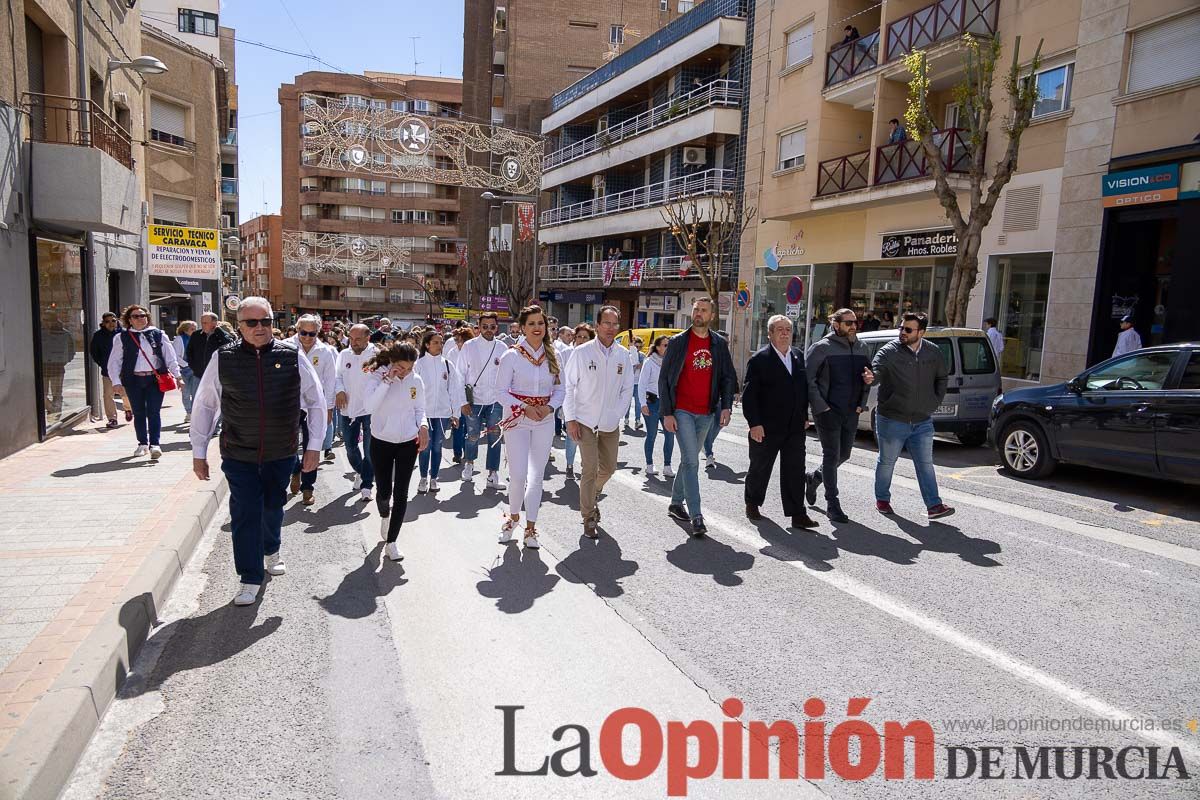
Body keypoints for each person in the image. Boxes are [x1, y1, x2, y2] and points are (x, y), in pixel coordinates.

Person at [190, 297, 327, 606]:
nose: (260, 328)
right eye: (252, 322)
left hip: (281, 450)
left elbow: (316, 402)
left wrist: (314, 447)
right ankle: (250, 577)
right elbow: (206, 405)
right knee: (245, 512)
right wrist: (199, 450)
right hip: (239, 452)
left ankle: (272, 549)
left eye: (265, 321)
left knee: (272, 506)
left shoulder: (292, 356)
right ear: (239, 326)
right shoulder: (223, 359)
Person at [658, 297, 737, 536]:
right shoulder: (678, 342)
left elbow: (727, 377)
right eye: (695, 310)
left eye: (703, 310)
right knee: (692, 462)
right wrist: (667, 413)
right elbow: (664, 380)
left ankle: (675, 502)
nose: (698, 314)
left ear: (711, 315)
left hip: (706, 413)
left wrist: (726, 406)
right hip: (682, 410)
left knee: (688, 459)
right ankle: (696, 515)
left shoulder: (719, 344)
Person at [871, 313, 954, 520]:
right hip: (892, 418)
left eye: (908, 330)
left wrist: (934, 402)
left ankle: (934, 506)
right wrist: (871, 377)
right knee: (887, 462)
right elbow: (877, 370)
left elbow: (942, 378)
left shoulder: (933, 352)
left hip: (922, 421)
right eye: (901, 328)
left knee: (925, 464)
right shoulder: (889, 351)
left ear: (921, 332)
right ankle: (882, 499)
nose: (902, 332)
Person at [495, 305, 564, 547]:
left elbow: (560, 390)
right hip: (518, 421)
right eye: (532, 324)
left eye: (541, 324)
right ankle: (513, 518)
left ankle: (531, 528)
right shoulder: (511, 356)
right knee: (518, 475)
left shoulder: (555, 355)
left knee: (536, 476)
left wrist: (549, 408)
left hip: (544, 421)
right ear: (522, 328)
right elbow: (500, 391)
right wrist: (525, 408)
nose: (537, 328)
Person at [563, 306, 634, 539]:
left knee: (610, 468)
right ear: (597, 326)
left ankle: (593, 494)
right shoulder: (582, 353)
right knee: (590, 469)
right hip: (584, 420)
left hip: (610, 423)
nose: (611, 329)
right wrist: (570, 419)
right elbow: (569, 386)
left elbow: (627, 389)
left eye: (615, 324)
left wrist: (617, 414)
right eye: (606, 323)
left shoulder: (623, 355)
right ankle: (588, 516)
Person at [743, 316, 817, 529]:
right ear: (770, 334)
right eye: (780, 330)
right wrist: (754, 423)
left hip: (794, 426)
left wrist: (804, 416)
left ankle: (797, 514)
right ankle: (752, 502)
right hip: (766, 426)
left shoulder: (797, 355)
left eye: (788, 330)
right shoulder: (760, 359)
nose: (785, 333)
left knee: (795, 469)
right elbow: (750, 395)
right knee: (760, 467)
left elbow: (802, 390)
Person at [804, 308, 873, 523]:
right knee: (832, 455)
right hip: (828, 412)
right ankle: (832, 504)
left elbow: (867, 378)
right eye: (848, 323)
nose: (853, 326)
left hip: (852, 412)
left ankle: (814, 478)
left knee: (844, 455)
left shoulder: (862, 347)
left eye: (855, 322)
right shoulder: (821, 348)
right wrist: (821, 407)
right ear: (836, 324)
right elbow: (808, 379)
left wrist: (861, 404)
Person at [362, 342, 429, 561]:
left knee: (401, 494)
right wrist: (387, 381)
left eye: (410, 367)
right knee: (383, 492)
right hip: (381, 440)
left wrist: (423, 426)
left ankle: (392, 542)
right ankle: (384, 514)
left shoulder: (415, 380)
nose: (406, 371)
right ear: (392, 361)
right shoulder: (376, 376)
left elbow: (420, 408)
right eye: (401, 367)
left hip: (407, 442)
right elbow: (370, 406)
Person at [108, 305, 181, 460]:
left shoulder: (158, 334)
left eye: (143, 315)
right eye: (136, 316)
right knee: (139, 412)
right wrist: (116, 381)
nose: (140, 319)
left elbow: (170, 357)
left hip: (155, 380)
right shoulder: (121, 337)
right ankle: (142, 444)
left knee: (154, 412)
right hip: (133, 380)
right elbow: (114, 361)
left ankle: (155, 444)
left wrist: (178, 376)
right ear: (129, 320)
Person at [286, 315, 338, 505]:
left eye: (312, 333)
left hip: (315, 406)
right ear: (297, 329)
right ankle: (295, 470)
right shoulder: (285, 347)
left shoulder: (326, 352)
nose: (307, 337)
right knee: (287, 445)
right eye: (303, 333)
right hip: (290, 405)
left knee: (312, 445)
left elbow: (331, 382)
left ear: (318, 332)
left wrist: (330, 407)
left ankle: (308, 487)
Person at [457, 312, 506, 489]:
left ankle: (493, 473)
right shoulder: (469, 346)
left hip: (495, 400)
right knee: (472, 435)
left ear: (496, 327)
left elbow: (507, 376)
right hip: (474, 400)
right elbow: (459, 374)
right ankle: (469, 464)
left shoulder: (502, 347)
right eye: (484, 326)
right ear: (478, 326)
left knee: (495, 436)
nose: (488, 330)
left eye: (492, 326)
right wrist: (462, 401)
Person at [414, 330, 465, 494]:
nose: (439, 345)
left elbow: (455, 391)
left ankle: (433, 479)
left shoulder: (448, 365)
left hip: (442, 414)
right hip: (424, 414)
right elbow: (413, 391)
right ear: (427, 345)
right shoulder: (418, 365)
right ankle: (423, 478)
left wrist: (455, 413)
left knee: (437, 447)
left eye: (441, 342)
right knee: (425, 447)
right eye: (435, 342)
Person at [334, 324, 378, 502]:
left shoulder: (377, 356)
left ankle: (367, 485)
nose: (353, 342)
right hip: (348, 408)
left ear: (368, 338)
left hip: (370, 410)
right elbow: (337, 376)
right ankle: (361, 472)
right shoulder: (344, 354)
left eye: (358, 339)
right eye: (351, 339)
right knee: (350, 447)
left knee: (369, 451)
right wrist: (339, 390)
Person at [639, 335, 675, 478]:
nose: (667, 348)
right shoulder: (649, 362)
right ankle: (649, 464)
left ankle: (667, 466)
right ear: (658, 346)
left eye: (668, 345)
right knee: (652, 435)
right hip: (652, 403)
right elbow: (642, 384)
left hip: (667, 405)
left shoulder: (671, 362)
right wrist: (642, 404)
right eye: (665, 345)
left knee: (670, 435)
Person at [563, 323, 594, 478]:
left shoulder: (594, 355)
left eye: (585, 337)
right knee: (572, 436)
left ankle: (585, 466)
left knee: (588, 438)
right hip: (571, 402)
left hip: (589, 404)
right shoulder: (568, 353)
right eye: (579, 337)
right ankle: (569, 465)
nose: (582, 340)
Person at [89, 312, 124, 428]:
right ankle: (112, 418)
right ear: (103, 323)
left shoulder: (124, 334)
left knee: (126, 394)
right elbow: (94, 352)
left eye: (113, 321)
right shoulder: (98, 335)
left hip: (124, 371)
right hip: (107, 371)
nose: (111, 324)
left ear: (117, 321)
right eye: (107, 322)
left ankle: (128, 409)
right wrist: (104, 364)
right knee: (108, 395)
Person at [185, 312, 234, 386]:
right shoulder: (196, 335)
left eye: (205, 323)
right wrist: (195, 367)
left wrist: (219, 332)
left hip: (216, 376)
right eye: (202, 323)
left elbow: (230, 347)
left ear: (214, 323)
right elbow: (189, 352)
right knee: (197, 397)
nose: (203, 325)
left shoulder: (222, 335)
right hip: (198, 376)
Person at [553, 325, 576, 440]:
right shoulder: (559, 347)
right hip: (561, 380)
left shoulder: (570, 347)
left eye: (571, 335)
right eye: (567, 335)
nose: (570, 337)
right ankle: (558, 429)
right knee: (558, 406)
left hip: (570, 381)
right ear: (560, 335)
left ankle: (564, 427)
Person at [173, 321, 196, 422]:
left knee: (196, 392)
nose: (195, 331)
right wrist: (186, 365)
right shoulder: (179, 339)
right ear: (185, 329)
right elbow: (175, 356)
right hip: (185, 369)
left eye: (195, 328)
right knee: (186, 393)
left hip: (196, 369)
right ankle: (189, 412)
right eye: (192, 329)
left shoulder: (197, 338)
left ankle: (195, 412)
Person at [624, 337, 645, 431]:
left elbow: (644, 371)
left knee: (638, 403)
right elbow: (626, 371)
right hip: (629, 383)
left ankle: (637, 420)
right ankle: (626, 419)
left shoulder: (643, 356)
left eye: (640, 347)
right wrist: (634, 366)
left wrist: (641, 366)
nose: (638, 349)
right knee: (627, 403)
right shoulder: (627, 355)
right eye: (636, 346)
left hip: (638, 383)